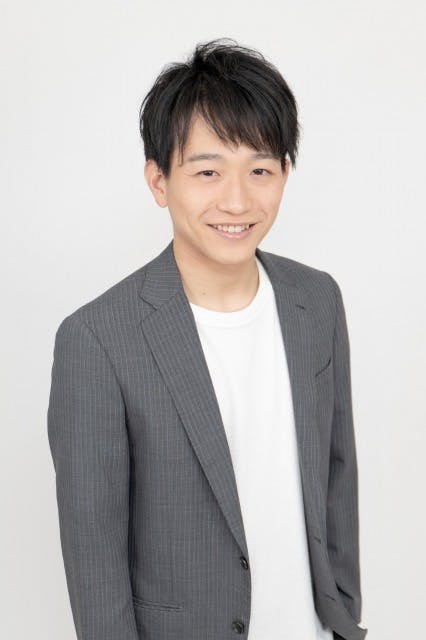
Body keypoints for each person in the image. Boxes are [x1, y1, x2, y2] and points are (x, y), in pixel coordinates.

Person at [47, 37, 368, 640]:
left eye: (260, 169)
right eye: (208, 172)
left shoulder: (317, 300)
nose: (237, 200)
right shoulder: (97, 339)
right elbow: (96, 564)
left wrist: (344, 614)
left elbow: (336, 476)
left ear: (285, 173)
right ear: (159, 180)